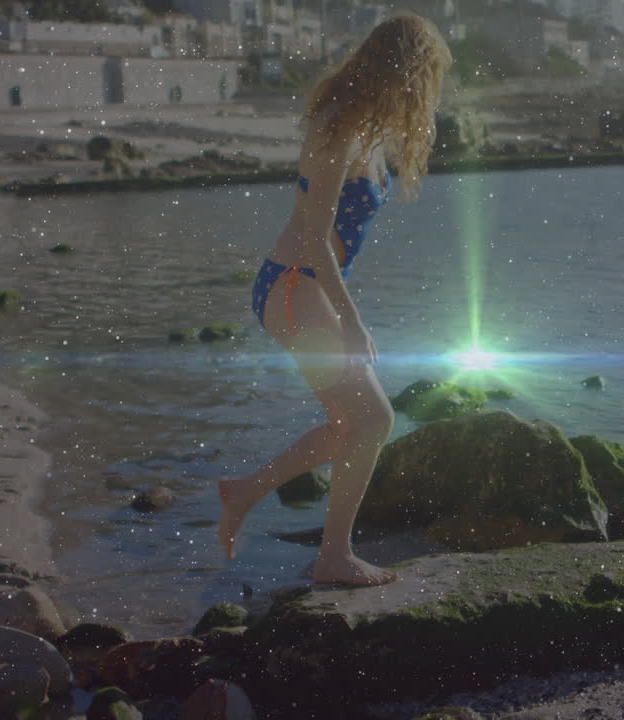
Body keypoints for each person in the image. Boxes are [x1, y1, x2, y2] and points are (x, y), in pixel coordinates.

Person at [217, 14, 453, 586]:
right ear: (406, 71)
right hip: (293, 285)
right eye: (426, 77)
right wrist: (351, 322)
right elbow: (318, 235)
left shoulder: (365, 126)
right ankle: (333, 555)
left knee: (353, 423)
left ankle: (246, 492)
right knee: (374, 419)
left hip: (304, 286)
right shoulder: (339, 127)